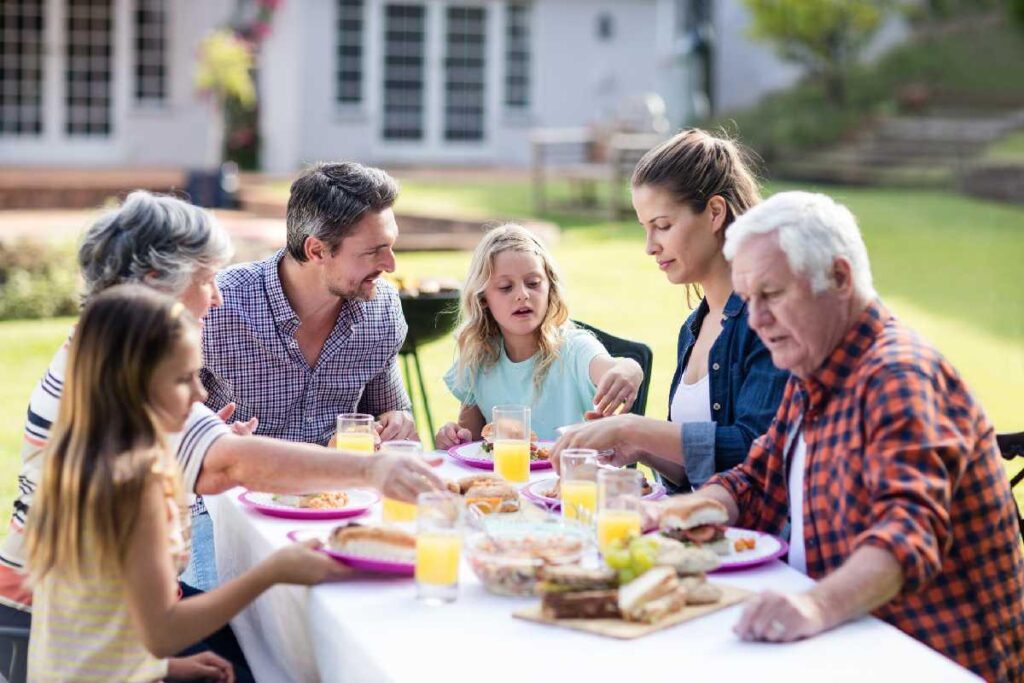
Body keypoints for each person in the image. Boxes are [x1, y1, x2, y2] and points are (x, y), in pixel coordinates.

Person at [0, 191, 441, 679]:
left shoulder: (103, 351)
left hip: (91, 626)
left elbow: (208, 469)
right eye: (207, 279)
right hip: (55, 628)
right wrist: (372, 469)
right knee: (273, 649)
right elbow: (227, 464)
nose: (218, 295)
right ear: (154, 281)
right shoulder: (131, 374)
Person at [662, 191, 1023, 682]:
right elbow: (755, 482)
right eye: (748, 301)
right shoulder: (814, 367)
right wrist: (666, 515)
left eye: (772, 294)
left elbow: (907, 535)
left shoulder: (897, 375)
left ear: (838, 278)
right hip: (849, 648)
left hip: (932, 660)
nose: (757, 321)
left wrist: (812, 607)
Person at [25, 285, 349, 681]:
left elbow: (101, 616)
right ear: (131, 384)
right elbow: (163, 631)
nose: (201, 393)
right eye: (185, 379)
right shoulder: (134, 486)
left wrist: (165, 668)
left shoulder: (78, 457)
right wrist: (273, 571)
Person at [550, 129, 788, 491]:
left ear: (714, 213)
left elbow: (754, 451)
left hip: (753, 543)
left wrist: (633, 427)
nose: (650, 246)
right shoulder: (693, 327)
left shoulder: (767, 322)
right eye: (646, 228)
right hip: (692, 533)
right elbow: (696, 471)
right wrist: (641, 447)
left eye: (662, 226)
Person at [200, 161, 418, 446]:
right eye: (373, 252)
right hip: (235, 487)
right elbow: (157, 432)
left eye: (390, 246)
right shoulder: (217, 306)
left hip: (340, 489)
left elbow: (390, 411)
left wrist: (398, 420)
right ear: (316, 250)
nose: (390, 265)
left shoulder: (382, 309)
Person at [433, 223, 643, 446]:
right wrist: (452, 437)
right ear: (483, 298)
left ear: (549, 287)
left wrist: (631, 368)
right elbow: (471, 442)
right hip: (508, 480)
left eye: (533, 283)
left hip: (571, 477)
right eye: (505, 287)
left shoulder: (575, 348)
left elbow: (612, 369)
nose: (522, 295)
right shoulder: (478, 358)